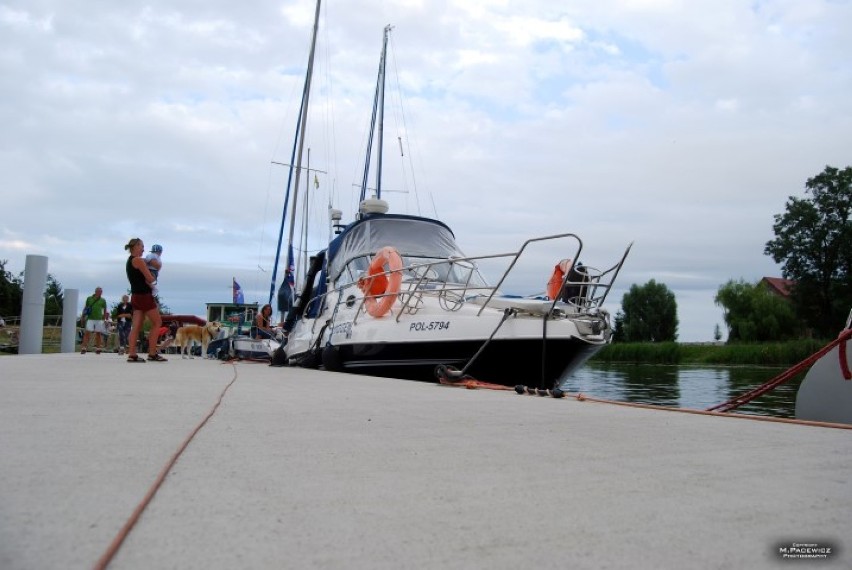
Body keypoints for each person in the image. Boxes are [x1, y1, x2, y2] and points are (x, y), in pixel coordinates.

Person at [125, 238, 166, 362]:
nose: (143, 249)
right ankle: (152, 353)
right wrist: (154, 273)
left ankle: (132, 354)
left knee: (136, 326)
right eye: (142, 246)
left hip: (135, 296)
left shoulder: (130, 261)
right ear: (136, 246)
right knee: (157, 322)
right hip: (144, 296)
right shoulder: (138, 260)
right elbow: (150, 278)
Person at [80, 287, 109, 354]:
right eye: (99, 291)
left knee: (98, 333)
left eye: (101, 291)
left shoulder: (103, 300)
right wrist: (83, 316)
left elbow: (105, 310)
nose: (100, 293)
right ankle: (84, 347)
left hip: (99, 319)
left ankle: (98, 348)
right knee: (87, 333)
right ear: (95, 291)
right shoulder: (89, 298)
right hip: (90, 318)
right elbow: (86, 307)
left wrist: (104, 319)